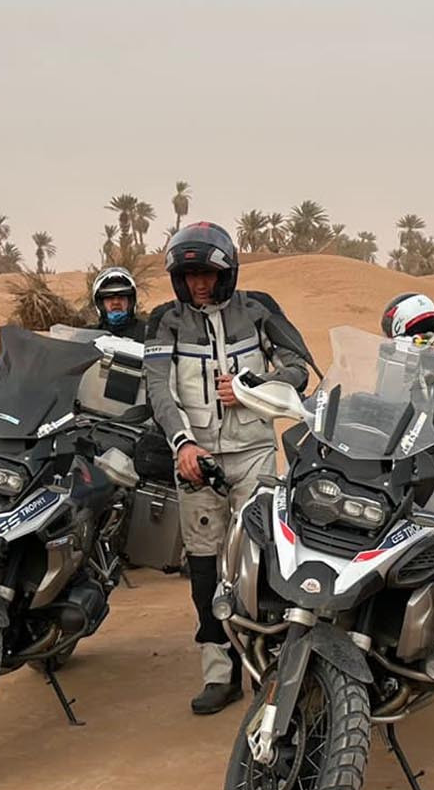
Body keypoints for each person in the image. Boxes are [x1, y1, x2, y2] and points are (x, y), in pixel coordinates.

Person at [144, 222, 311, 715]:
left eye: (208, 274)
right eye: (189, 275)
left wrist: (252, 385)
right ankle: (219, 672)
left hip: (254, 451)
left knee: (262, 561)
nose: (199, 283)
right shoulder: (165, 322)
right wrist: (183, 444)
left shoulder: (259, 309)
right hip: (195, 458)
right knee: (204, 568)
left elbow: (299, 368)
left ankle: (268, 665)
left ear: (227, 273)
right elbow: (159, 388)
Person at [88, 266, 145, 338]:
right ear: (100, 303)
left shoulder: (148, 333)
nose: (116, 302)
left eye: (121, 297)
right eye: (110, 298)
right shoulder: (89, 336)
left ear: (131, 301)